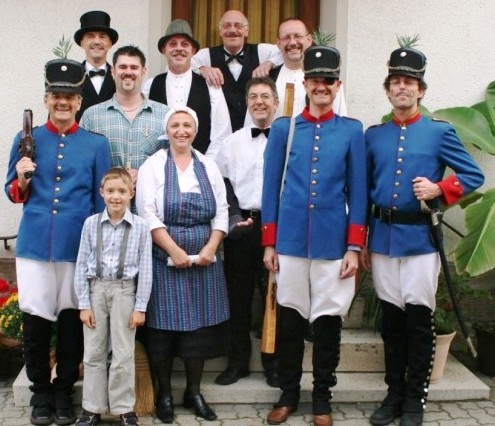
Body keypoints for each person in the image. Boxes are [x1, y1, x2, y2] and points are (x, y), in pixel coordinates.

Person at [362, 47, 484, 426]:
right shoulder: (374, 135)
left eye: (409, 82)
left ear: (421, 91)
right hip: (382, 238)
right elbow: (364, 187)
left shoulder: (439, 132)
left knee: (418, 321)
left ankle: (415, 399)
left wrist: (439, 189)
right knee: (392, 324)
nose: (402, 88)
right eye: (396, 82)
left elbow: (472, 176)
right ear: (387, 91)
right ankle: (393, 394)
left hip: (418, 241)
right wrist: (363, 240)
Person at [261, 46, 368, 426]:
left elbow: (358, 191)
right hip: (289, 241)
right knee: (290, 322)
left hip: (331, 243)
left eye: (328, 81)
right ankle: (288, 394)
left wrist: (354, 246)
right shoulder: (283, 128)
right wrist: (270, 242)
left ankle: (322, 399)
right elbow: (271, 186)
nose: (321, 87)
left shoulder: (352, 130)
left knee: (327, 325)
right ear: (304, 83)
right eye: (314, 80)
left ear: (337, 85)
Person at [4, 59, 111, 425]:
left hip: (76, 245)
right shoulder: (27, 139)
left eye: (69, 96)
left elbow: (100, 203)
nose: (62, 102)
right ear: (46, 99)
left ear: (79, 102)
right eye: (56, 96)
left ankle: (64, 390)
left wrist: (98, 249)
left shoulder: (96, 145)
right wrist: (20, 178)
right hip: (35, 245)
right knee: (34, 322)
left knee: (70, 321)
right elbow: (13, 193)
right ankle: (40, 393)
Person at [136, 107, 229, 423]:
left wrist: (211, 246)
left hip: (205, 259)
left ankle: (194, 392)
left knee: (197, 331)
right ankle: (164, 394)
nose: (181, 130)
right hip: (164, 257)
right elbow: (147, 213)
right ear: (167, 130)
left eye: (187, 125)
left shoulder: (208, 165)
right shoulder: (153, 166)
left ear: (195, 130)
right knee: (162, 330)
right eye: (175, 125)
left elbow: (222, 212)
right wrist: (174, 250)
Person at [74, 167, 152, 426]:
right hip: (96, 291)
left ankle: (124, 408)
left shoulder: (140, 226)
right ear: (102, 193)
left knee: (123, 352)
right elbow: (81, 265)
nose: (115, 196)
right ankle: (92, 408)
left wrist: (140, 307)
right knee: (94, 351)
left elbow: (147, 268)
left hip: (124, 291)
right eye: (110, 191)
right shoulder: (91, 224)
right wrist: (83, 304)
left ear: (131, 193)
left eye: (121, 191)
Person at [214, 77, 279, 387]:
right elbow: (223, 184)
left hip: (277, 228)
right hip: (242, 229)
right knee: (237, 300)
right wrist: (235, 217)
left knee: (274, 297)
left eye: (265, 96)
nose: (259, 101)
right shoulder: (233, 141)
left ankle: (273, 363)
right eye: (253, 96)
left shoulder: (287, 139)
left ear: (276, 102)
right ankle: (237, 362)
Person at [80, 45, 169, 197]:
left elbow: (175, 160)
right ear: (113, 72)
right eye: (122, 67)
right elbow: (82, 163)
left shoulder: (165, 114)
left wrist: (144, 174)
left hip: (150, 205)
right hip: (107, 207)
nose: (128, 72)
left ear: (143, 72)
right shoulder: (92, 116)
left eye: (134, 67)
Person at [143, 19, 231, 158]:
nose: (179, 48)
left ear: (193, 51)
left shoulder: (210, 86)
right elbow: (144, 129)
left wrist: (204, 165)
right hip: (159, 168)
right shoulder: (150, 85)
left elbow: (222, 133)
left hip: (200, 168)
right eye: (173, 44)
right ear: (164, 50)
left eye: (185, 44)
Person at [191, 9, 283, 131]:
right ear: (220, 31)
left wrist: (269, 63)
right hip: (218, 131)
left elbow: (284, 52)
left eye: (238, 26)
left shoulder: (261, 51)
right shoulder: (206, 54)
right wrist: (202, 69)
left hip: (254, 129)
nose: (232, 30)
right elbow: (186, 62)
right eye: (227, 26)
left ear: (246, 31)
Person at [269, 18, 347, 119]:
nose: (292, 42)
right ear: (278, 43)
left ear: (309, 39)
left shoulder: (328, 80)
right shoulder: (268, 78)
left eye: (298, 36)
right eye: (286, 37)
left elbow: (339, 120)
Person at [74, 10, 118, 122]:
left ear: (110, 43)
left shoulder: (120, 76)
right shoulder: (71, 77)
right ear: (82, 42)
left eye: (102, 36)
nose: (97, 41)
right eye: (90, 36)